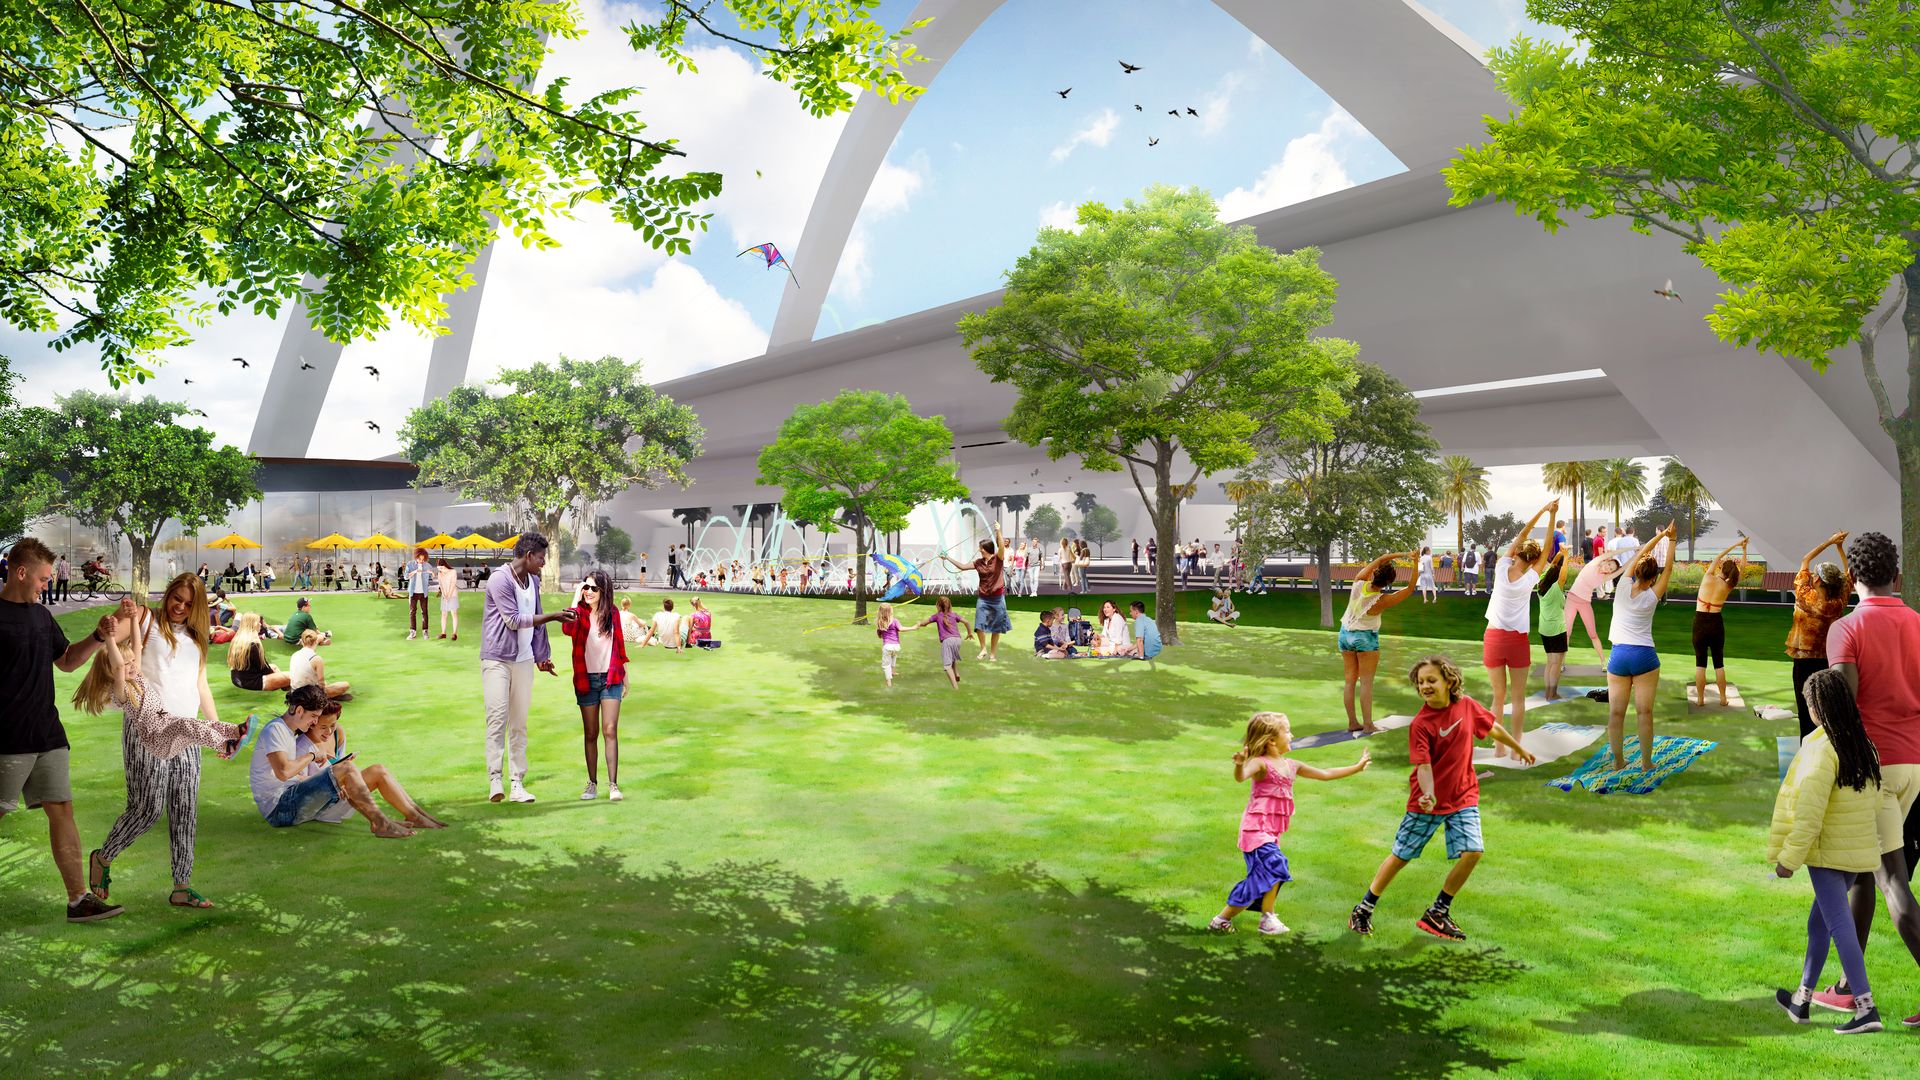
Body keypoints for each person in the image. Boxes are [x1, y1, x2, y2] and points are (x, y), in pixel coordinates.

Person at [1349, 655, 1534, 941]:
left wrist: (1516, 747)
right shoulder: (1422, 724)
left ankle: (1438, 911)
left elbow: (1491, 727)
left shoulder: (1467, 705)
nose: (1425, 686)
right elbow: (1423, 766)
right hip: (1427, 803)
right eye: (1421, 682)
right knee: (1401, 856)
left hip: (1463, 795)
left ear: (1449, 681)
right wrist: (1429, 793)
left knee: (1473, 852)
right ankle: (1363, 908)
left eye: (1431, 680)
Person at [1813, 531, 1920, 1025]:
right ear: (1896, 576)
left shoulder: (1846, 629)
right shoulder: (1918, 623)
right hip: (1914, 765)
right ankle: (1845, 986)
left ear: (1853, 578)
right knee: (1865, 869)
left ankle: (1853, 995)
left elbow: (1844, 709)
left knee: (1891, 878)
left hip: (1873, 767)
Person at [0, 538, 123, 923]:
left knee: (62, 809)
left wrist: (99, 637)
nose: (45, 586)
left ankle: (78, 900)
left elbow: (68, 661)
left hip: (47, 734)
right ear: (21, 573)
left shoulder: (41, 617)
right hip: (7, 738)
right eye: (42, 579)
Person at [94, 575, 225, 911]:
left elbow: (201, 685)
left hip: (187, 732)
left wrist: (216, 731)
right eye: (175, 598)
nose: (179, 607)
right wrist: (118, 618)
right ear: (167, 596)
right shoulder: (148, 619)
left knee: (185, 811)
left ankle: (181, 887)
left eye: (187, 603)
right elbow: (111, 641)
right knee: (147, 809)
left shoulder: (198, 638)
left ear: (197, 607)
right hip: (147, 730)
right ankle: (103, 857)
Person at [1770, 668, 1886, 1033]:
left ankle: (1866, 1008)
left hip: (1826, 854)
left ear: (1818, 707)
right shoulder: (1861, 745)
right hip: (1854, 852)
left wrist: (1789, 859)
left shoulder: (1821, 749)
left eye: (1809, 704)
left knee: (1839, 925)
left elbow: (1809, 813)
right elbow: (1873, 803)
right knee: (1818, 923)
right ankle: (1802, 1001)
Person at [1209, 713, 1371, 935]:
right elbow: (1241, 776)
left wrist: (1357, 767)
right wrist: (1239, 764)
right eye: (1287, 731)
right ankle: (1262, 918)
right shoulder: (1260, 763)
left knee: (1268, 874)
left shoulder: (1292, 765)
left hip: (1271, 832)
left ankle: (1230, 919)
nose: (1292, 735)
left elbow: (1325, 774)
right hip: (1255, 830)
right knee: (1275, 866)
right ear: (1272, 740)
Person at [74, 608, 249, 764]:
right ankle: (227, 746)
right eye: (127, 664)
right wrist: (109, 638)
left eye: (133, 661)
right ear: (112, 671)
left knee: (200, 724)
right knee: (186, 725)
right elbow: (119, 665)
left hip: (167, 726)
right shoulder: (121, 692)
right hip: (157, 738)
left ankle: (236, 731)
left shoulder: (138, 677)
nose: (132, 665)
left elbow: (137, 644)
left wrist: (134, 617)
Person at [249, 686, 428, 837]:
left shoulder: (286, 731)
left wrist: (332, 779)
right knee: (347, 768)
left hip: (289, 801)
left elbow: (292, 776)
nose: (314, 723)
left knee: (356, 770)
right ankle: (381, 824)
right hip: (279, 808)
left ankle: (388, 821)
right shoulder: (276, 730)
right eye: (313, 717)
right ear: (300, 710)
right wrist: (311, 756)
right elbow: (284, 772)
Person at [480, 532, 574, 805]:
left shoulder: (532, 580)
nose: (544, 563)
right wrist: (555, 615)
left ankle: (517, 783)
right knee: (497, 718)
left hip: (522, 660)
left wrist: (541, 656)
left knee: (519, 724)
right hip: (497, 658)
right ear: (529, 555)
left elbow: (537, 619)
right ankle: (495, 779)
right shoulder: (500, 578)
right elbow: (513, 620)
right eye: (542, 558)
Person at [1483, 501, 1558, 754]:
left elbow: (1522, 534)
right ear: (1535, 559)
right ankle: (1515, 748)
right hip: (1516, 642)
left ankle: (1498, 748)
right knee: (1517, 698)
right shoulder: (1531, 578)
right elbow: (1547, 548)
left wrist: (1542, 511)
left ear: (1517, 553)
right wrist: (1554, 516)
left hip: (1493, 638)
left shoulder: (1503, 566)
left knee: (1498, 697)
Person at [1605, 524, 1678, 773]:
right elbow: (1668, 568)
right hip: (1644, 656)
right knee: (1644, 713)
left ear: (1636, 571)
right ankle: (1647, 763)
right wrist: (1672, 539)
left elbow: (1640, 552)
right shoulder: (1652, 595)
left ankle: (1618, 761)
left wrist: (1659, 536)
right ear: (1654, 578)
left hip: (1619, 656)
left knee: (1616, 714)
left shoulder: (1623, 586)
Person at [562, 569, 640, 802]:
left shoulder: (613, 613)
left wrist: (624, 673)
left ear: (604, 591)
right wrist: (577, 595)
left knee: (609, 729)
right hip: (586, 679)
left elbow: (619, 646)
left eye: (593, 588)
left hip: (610, 677)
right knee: (591, 733)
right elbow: (567, 628)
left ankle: (613, 785)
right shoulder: (579, 613)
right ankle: (592, 784)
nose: (589, 592)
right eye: (586, 587)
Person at [1339, 551, 1418, 734]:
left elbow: (1380, 559)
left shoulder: (1358, 582)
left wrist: (1405, 554)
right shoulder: (1381, 600)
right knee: (1366, 683)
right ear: (1389, 582)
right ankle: (1368, 725)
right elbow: (1410, 588)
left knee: (1350, 682)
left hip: (1345, 634)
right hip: (1365, 638)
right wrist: (1415, 562)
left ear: (1374, 573)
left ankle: (1352, 723)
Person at [1787, 532, 1852, 739]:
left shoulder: (1806, 597)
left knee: (1806, 714)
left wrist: (1831, 542)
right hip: (1828, 660)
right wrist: (1841, 549)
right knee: (1826, 712)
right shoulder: (1839, 600)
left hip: (1804, 662)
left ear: (1817, 580)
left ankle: (1806, 753)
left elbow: (1805, 559)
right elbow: (1848, 574)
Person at [1692, 536, 1751, 707]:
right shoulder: (1728, 586)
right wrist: (1745, 549)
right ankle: (1723, 698)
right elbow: (1744, 568)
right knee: (1719, 663)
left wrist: (1736, 544)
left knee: (1700, 663)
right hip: (1716, 623)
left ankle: (1701, 699)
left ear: (1721, 568)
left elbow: (1718, 556)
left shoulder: (1708, 576)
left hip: (1700, 622)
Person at [942, 521, 1009, 661]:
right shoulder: (978, 562)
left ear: (986, 548)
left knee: (996, 628)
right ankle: (983, 649)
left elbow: (1002, 546)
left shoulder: (998, 559)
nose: (979, 550)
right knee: (979, 625)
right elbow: (962, 567)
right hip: (983, 598)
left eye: (981, 548)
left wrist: (998, 531)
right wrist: (947, 557)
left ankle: (992, 655)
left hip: (997, 598)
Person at [1563, 551, 1619, 665]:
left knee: (1593, 634)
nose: (1609, 569)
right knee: (1566, 633)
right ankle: (1561, 663)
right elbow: (1613, 553)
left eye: (1611, 569)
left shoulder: (1604, 577)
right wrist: (1633, 547)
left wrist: (1635, 556)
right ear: (1606, 561)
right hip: (1571, 600)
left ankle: (1603, 662)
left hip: (1585, 603)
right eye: (1609, 565)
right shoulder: (1593, 564)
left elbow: (1622, 570)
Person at [909, 595, 972, 687]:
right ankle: (957, 673)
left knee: (947, 666)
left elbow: (924, 623)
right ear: (950, 605)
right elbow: (967, 622)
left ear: (938, 605)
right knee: (952, 657)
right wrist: (969, 633)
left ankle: (955, 687)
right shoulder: (954, 615)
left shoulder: (937, 616)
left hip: (947, 641)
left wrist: (919, 623)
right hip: (958, 640)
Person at [1535, 548, 1572, 701]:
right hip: (1556, 630)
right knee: (1556, 664)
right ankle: (1552, 694)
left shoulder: (1541, 584)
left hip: (1544, 629)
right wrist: (1567, 556)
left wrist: (1560, 553)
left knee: (1550, 662)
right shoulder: (1556, 588)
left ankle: (1547, 693)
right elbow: (1563, 573)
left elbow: (1554, 566)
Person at [226, 613, 290, 693]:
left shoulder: (238, 640)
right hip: (252, 682)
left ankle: (287, 688)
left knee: (274, 667)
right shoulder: (253, 644)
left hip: (237, 679)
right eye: (258, 622)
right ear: (253, 624)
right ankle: (290, 690)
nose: (260, 624)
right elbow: (264, 669)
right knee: (291, 676)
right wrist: (275, 675)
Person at [289, 629, 351, 700]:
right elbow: (321, 684)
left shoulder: (294, 655)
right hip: (309, 695)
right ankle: (329, 698)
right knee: (345, 685)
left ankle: (330, 696)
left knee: (319, 681)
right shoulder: (317, 659)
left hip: (294, 693)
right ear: (316, 641)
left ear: (302, 642)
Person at [405, 547, 433, 640]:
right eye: (419, 559)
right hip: (413, 592)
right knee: (412, 612)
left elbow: (432, 576)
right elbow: (406, 577)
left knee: (424, 612)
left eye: (423, 559)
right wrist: (415, 571)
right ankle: (412, 632)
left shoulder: (428, 565)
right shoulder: (410, 564)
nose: (421, 561)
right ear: (416, 557)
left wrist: (432, 573)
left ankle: (425, 632)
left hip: (423, 593)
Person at [875, 602, 903, 687]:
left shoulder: (880, 623)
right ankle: (893, 672)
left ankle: (889, 683)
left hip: (887, 646)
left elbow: (879, 635)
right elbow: (901, 628)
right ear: (890, 611)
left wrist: (880, 633)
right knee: (893, 656)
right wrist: (913, 627)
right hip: (896, 646)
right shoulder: (895, 621)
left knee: (886, 665)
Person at [436, 558, 461, 640]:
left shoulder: (453, 571)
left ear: (445, 566)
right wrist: (444, 595)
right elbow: (441, 585)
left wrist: (449, 595)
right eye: (439, 568)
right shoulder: (440, 574)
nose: (441, 570)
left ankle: (454, 633)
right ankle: (443, 633)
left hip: (452, 595)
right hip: (444, 596)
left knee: (454, 613)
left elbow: (453, 584)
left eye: (441, 568)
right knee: (444, 614)